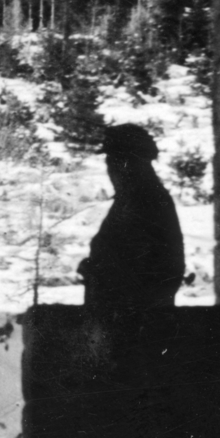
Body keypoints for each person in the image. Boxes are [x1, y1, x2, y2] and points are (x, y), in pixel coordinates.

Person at [78, 124, 185, 314]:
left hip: (132, 323)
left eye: (116, 159)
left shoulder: (146, 202)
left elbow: (156, 271)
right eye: (110, 160)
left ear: (132, 162)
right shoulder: (133, 200)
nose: (110, 167)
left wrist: (98, 271)